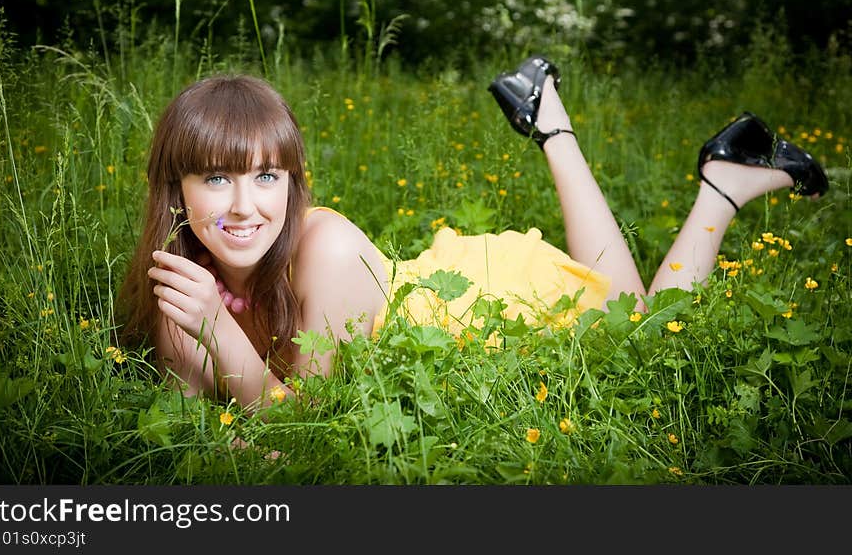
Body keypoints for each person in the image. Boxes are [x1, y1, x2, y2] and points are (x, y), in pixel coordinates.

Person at [117, 56, 829, 414]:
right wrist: (202, 329)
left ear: (296, 185)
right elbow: (197, 431)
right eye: (216, 178)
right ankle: (719, 172)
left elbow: (301, 426)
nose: (243, 206)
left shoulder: (323, 244)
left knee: (642, 328)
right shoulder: (181, 276)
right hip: (431, 284)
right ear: (174, 186)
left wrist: (218, 329)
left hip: (474, 308)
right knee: (634, 311)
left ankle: (701, 181)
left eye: (267, 178)